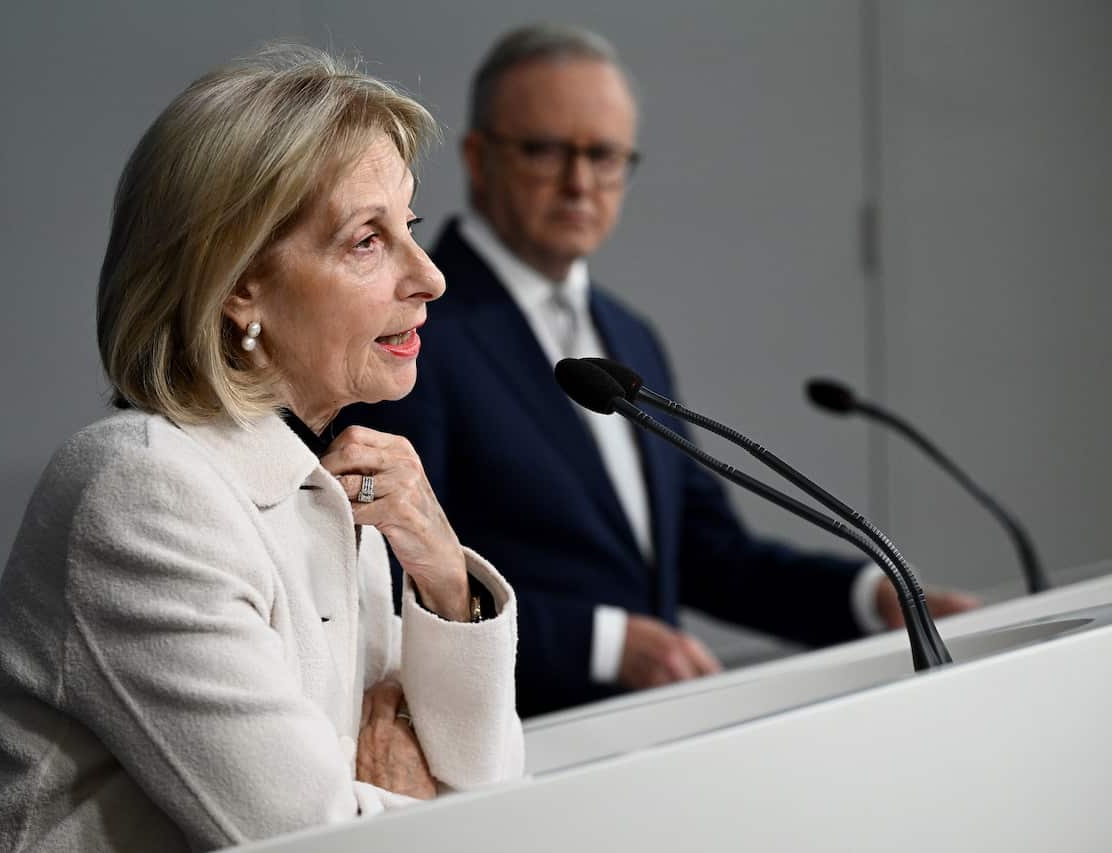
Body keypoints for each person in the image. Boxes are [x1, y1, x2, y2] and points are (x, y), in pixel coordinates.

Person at [0, 47, 523, 853]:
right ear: (240, 281)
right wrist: (417, 807)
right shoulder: (142, 490)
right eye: (365, 241)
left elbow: (488, 794)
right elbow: (320, 842)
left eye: (408, 227)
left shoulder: (331, 484)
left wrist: (447, 579)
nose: (430, 276)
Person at [340, 25, 977, 718]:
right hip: (508, 744)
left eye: (605, 155)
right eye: (546, 150)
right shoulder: (413, 324)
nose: (580, 181)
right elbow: (383, 565)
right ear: (478, 157)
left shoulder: (629, 336)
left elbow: (707, 551)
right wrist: (606, 644)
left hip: (648, 739)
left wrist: (870, 594)